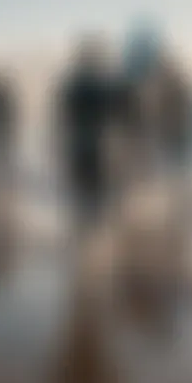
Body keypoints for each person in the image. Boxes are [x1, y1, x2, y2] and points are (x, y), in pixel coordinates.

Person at [57, 37, 116, 238]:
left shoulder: (76, 84)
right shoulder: (94, 85)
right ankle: (91, 228)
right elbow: (113, 111)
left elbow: (64, 115)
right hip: (91, 145)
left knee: (85, 189)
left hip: (83, 145)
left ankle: (86, 228)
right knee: (93, 188)